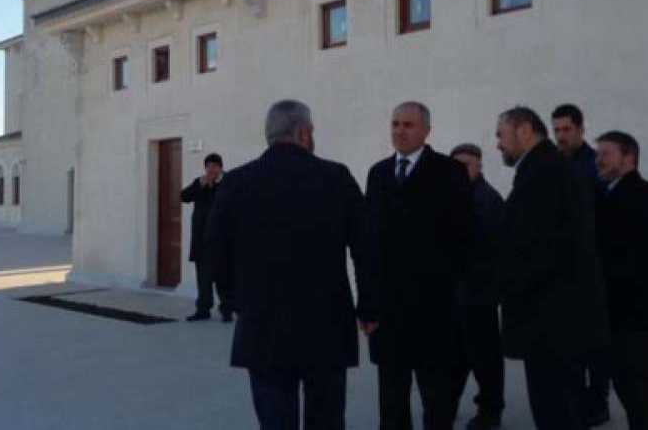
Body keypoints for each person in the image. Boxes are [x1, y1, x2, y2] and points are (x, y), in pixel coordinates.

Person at [204, 100, 378, 430]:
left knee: (274, 421)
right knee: (326, 420)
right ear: (302, 133)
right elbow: (366, 247)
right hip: (325, 324)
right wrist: (368, 306)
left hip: (262, 323)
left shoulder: (237, 182)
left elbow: (215, 249)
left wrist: (233, 301)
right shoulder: (336, 176)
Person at [494, 106, 608, 430]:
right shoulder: (548, 168)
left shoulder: (544, 173)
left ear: (525, 131)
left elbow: (539, 249)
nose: (498, 144)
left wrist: (503, 282)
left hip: (550, 322)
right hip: (558, 320)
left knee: (555, 410)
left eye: (501, 135)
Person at [366, 102, 473, 430]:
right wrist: (368, 304)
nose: (399, 130)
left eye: (408, 125)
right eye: (395, 123)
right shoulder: (379, 173)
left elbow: (462, 238)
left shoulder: (449, 172)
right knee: (391, 399)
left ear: (427, 130)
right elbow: (370, 242)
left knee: (436, 398)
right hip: (389, 309)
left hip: (434, 309)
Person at [594, 131, 648, 430]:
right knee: (631, 388)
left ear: (628, 157)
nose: (598, 159)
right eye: (598, 153)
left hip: (636, 311)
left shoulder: (641, 194)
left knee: (636, 388)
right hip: (623, 310)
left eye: (606, 154)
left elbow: (628, 255)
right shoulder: (613, 193)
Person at [551, 104, 610, 426]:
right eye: (556, 130)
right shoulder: (556, 164)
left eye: (566, 130)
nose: (561, 136)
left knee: (596, 344)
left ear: (580, 130)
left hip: (592, 268)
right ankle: (576, 399)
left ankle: (598, 401)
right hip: (566, 271)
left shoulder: (593, 164)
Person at [450, 144, 505, 430]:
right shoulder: (451, 198)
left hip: (479, 295)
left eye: (467, 165)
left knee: (485, 360)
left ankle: (490, 412)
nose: (461, 171)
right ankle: (448, 405)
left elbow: (489, 251)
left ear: (479, 166)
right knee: (455, 356)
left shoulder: (487, 200)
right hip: (456, 295)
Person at [181, 153, 231, 322]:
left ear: (220, 167)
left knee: (224, 278)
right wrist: (200, 186)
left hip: (222, 240)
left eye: (214, 166)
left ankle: (227, 310)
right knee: (203, 278)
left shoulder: (228, 183)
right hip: (202, 240)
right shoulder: (199, 182)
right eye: (208, 166)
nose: (211, 170)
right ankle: (203, 309)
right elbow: (184, 197)